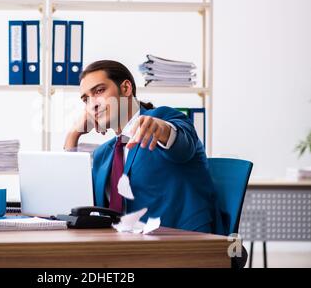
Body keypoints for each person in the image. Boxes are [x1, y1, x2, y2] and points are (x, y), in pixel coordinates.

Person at [64, 60, 224, 235]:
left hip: (183, 243)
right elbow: (77, 203)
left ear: (125, 88)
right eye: (86, 99)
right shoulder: (103, 154)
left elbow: (182, 146)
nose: (92, 104)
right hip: (122, 247)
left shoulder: (163, 118)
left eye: (100, 91)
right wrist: (73, 134)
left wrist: (161, 129)